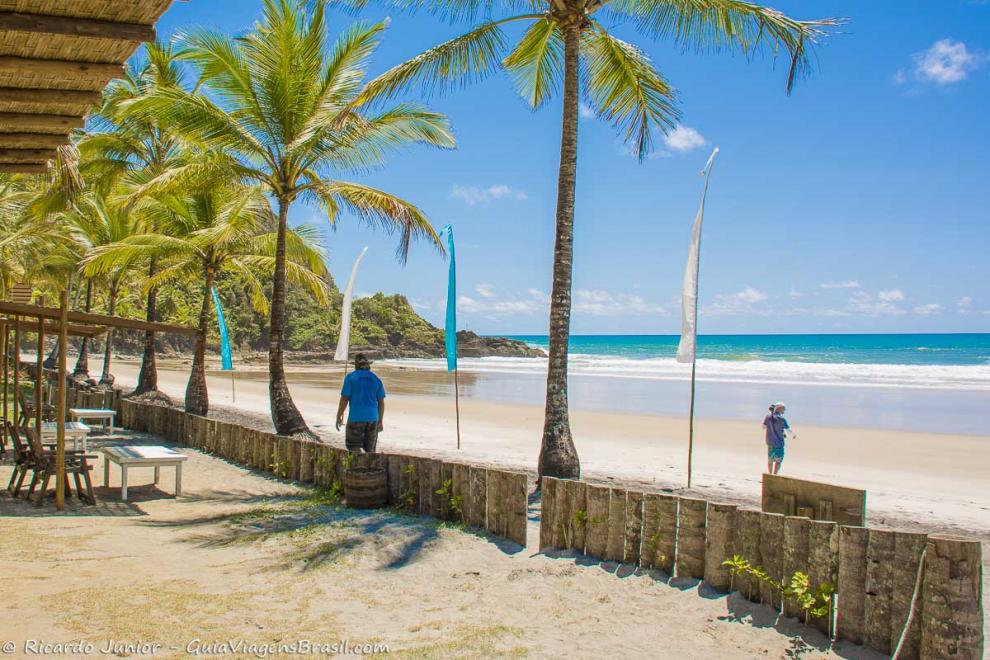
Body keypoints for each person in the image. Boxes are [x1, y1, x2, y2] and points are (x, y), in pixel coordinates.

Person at [335, 354, 385, 453]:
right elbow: (381, 403)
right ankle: (369, 467)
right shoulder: (376, 379)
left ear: (356, 365)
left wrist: (339, 415)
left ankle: (357, 465)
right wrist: (380, 420)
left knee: (353, 446)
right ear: (368, 365)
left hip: (356, 417)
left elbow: (344, 399)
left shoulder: (351, 377)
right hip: (373, 418)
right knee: (370, 450)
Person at [763, 402, 796, 474]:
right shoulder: (782, 419)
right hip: (779, 443)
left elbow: (763, 427)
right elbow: (788, 429)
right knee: (778, 460)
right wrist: (793, 435)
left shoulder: (768, 417)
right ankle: (775, 474)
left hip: (770, 441)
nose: (784, 411)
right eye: (784, 409)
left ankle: (770, 474)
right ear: (780, 409)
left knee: (770, 460)